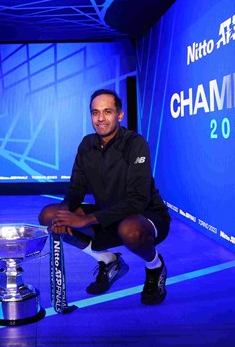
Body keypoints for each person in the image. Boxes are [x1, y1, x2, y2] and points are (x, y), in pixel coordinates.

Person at [38, 89, 171, 305]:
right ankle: (108, 260)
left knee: (129, 229)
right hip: (107, 215)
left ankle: (155, 267)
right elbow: (76, 188)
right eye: (95, 112)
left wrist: (86, 219)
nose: (100, 118)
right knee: (50, 215)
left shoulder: (135, 143)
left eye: (107, 112)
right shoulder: (87, 144)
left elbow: (137, 199)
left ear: (120, 115)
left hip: (144, 217)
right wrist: (64, 213)